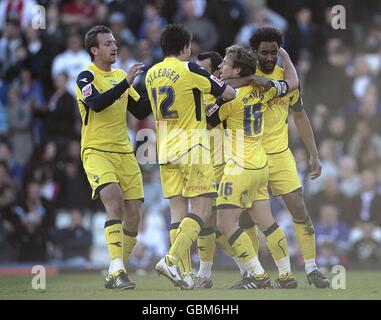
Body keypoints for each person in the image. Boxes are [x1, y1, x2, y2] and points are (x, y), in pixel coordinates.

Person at [145, 24, 236, 289]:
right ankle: (171, 259)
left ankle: (184, 275)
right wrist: (215, 101)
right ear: (185, 48)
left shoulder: (151, 74)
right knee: (203, 208)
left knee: (177, 213)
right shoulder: (190, 69)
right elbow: (228, 93)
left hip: (164, 150)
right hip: (191, 146)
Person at [206, 44, 299, 289]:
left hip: (239, 166)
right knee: (267, 223)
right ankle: (287, 276)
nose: (220, 66)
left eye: (225, 63)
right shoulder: (264, 90)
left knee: (225, 223)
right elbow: (292, 82)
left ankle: (257, 276)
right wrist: (286, 57)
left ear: (236, 70)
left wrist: (213, 89)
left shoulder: (229, 98)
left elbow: (208, 120)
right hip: (260, 165)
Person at [248, 26, 329, 288]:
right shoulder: (246, 76)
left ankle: (311, 267)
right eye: (264, 52)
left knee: (299, 208)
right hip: (251, 155)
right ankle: (254, 273)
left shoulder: (287, 79)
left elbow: (299, 115)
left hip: (280, 154)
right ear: (255, 52)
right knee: (247, 217)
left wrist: (313, 153)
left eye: (274, 51)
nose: (269, 57)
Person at [75, 25, 151, 290]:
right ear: (94, 50)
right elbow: (96, 104)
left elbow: (140, 110)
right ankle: (118, 270)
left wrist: (155, 87)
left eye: (115, 42)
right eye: (107, 43)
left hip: (124, 152)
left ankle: (115, 269)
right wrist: (126, 83)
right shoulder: (86, 77)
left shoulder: (120, 75)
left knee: (134, 215)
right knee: (115, 204)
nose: (114, 47)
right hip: (96, 151)